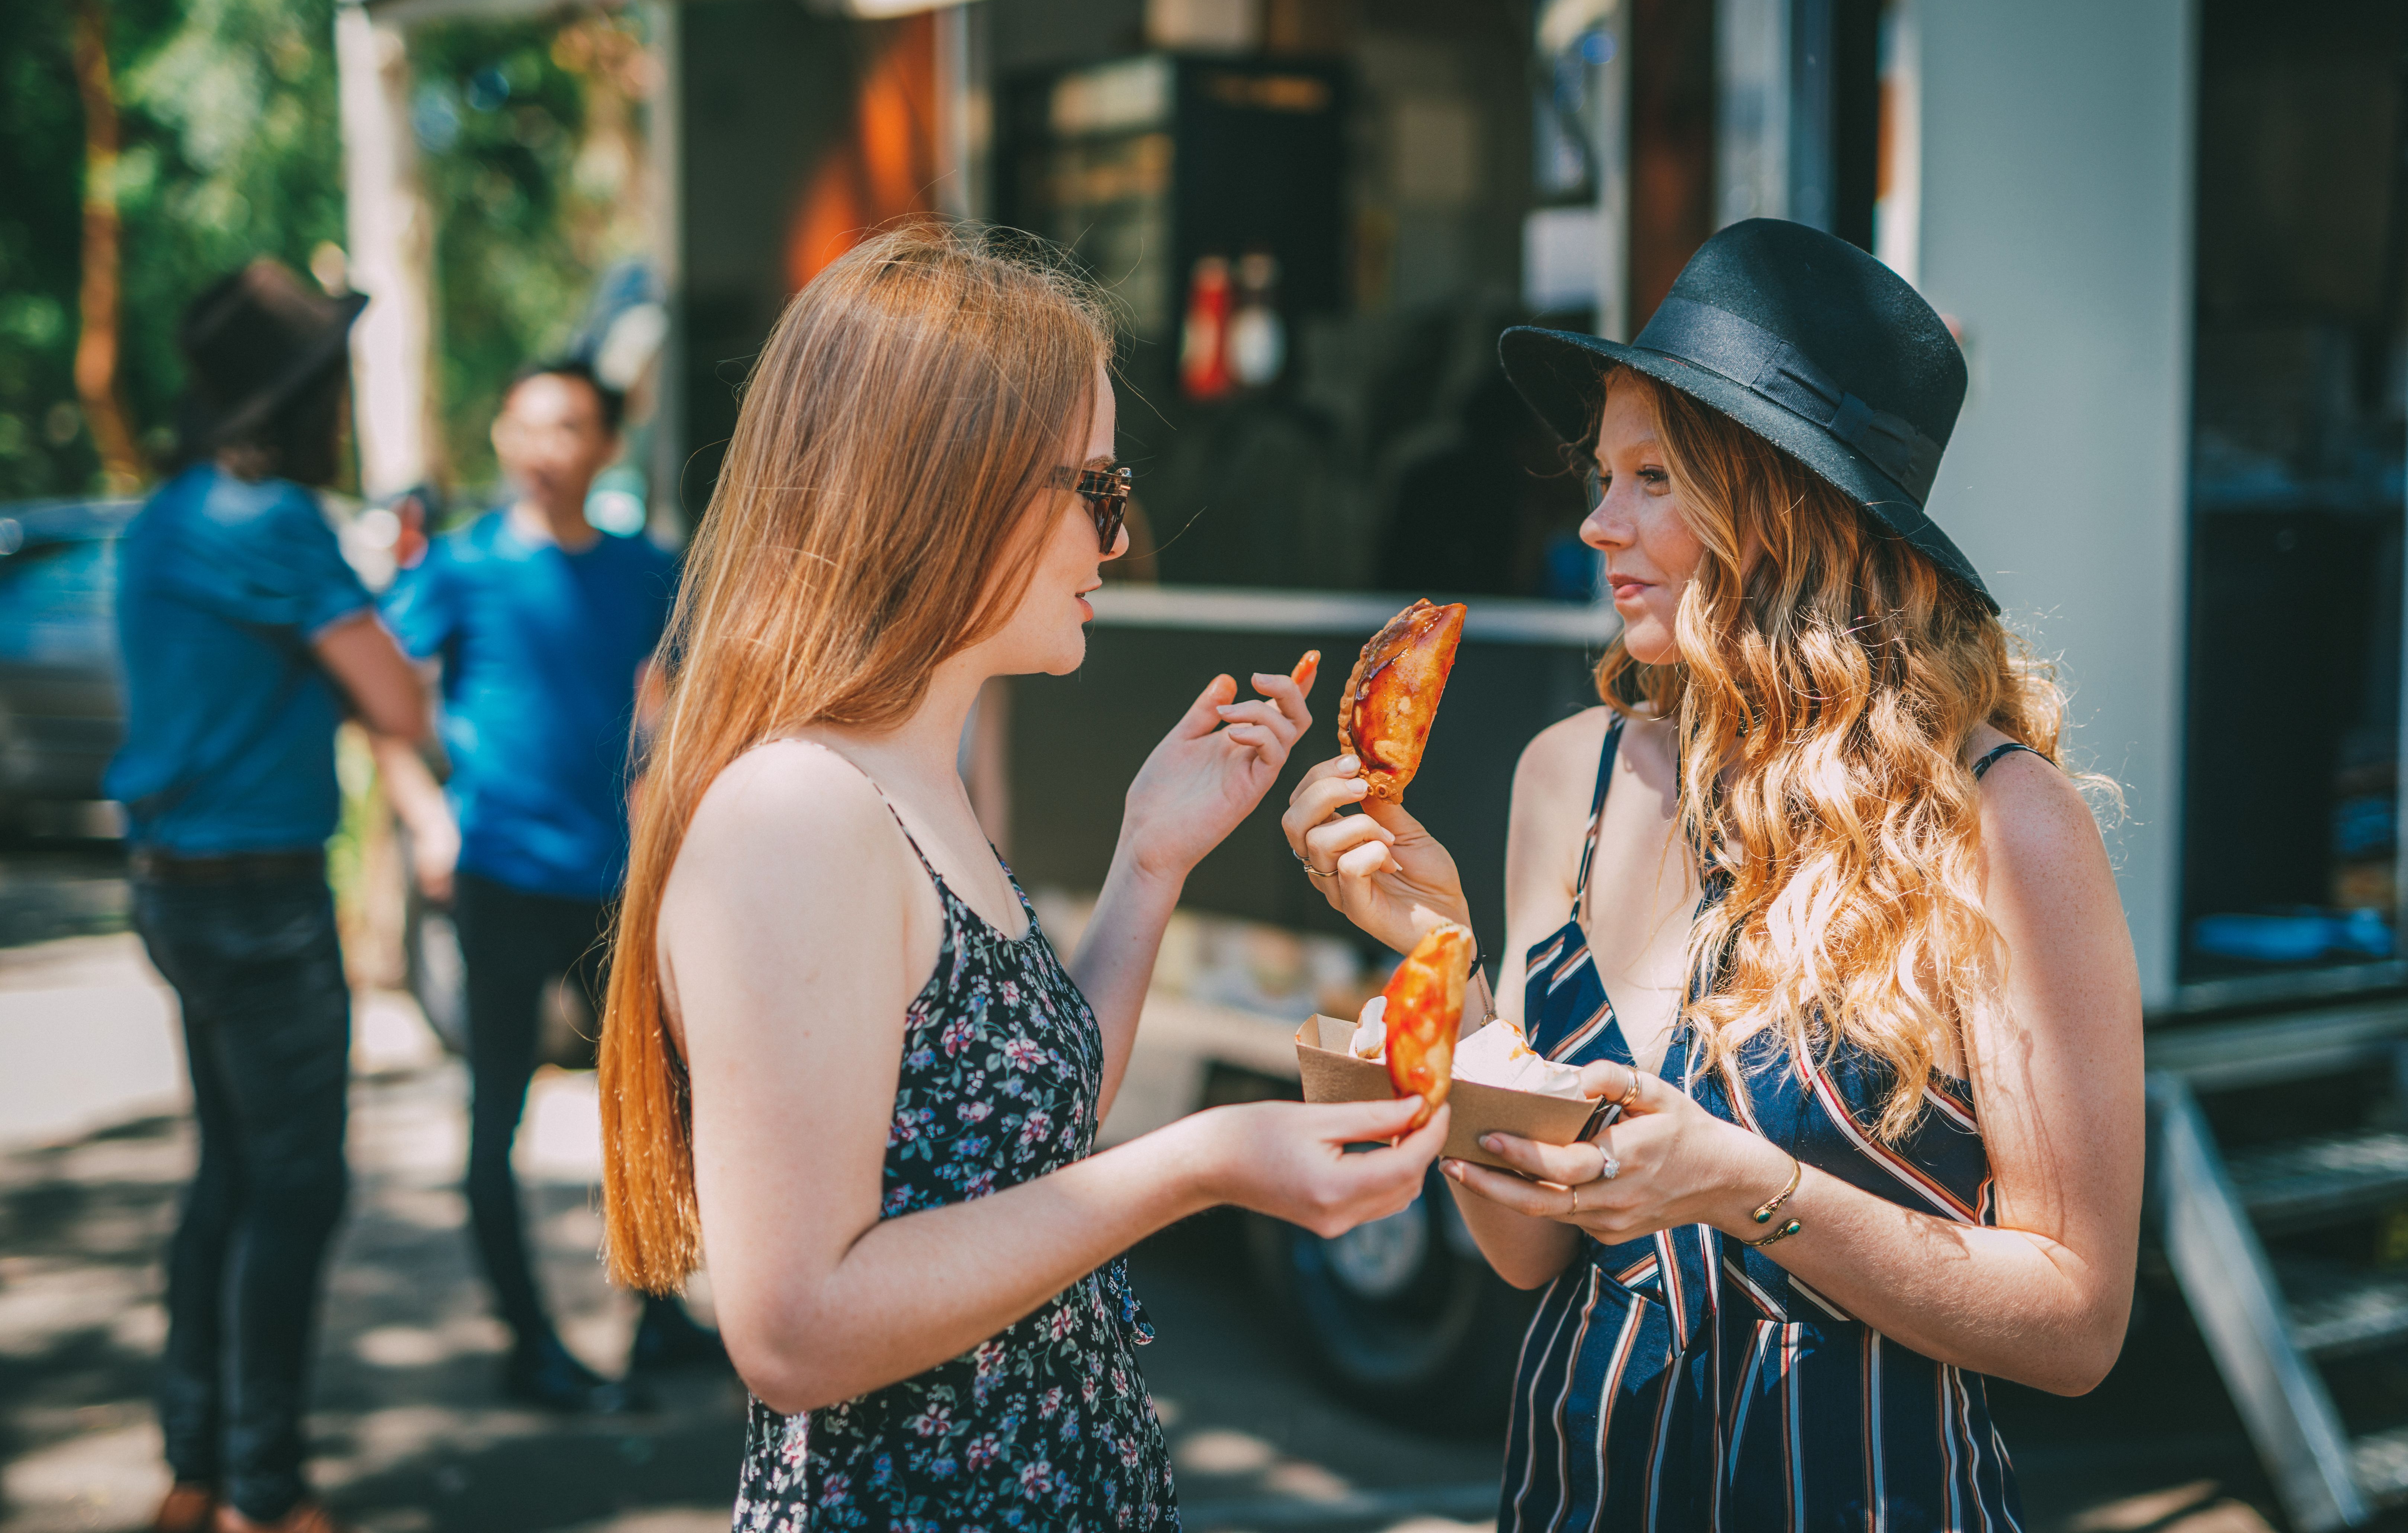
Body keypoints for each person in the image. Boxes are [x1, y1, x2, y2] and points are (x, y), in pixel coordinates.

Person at [1285, 219, 2145, 1531]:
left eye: (1650, 481)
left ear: (1784, 512)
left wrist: (1748, 1189)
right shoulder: (1560, 776)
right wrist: (1438, 962)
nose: (1593, 521)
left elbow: (2077, 1326)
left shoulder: (1999, 823)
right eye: (1600, 474)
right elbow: (1527, 1255)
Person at [594, 224, 1447, 1528]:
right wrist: (1202, 1163)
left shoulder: (905, 777)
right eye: (1097, 492)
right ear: (955, 486)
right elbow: (796, 1328)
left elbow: (1021, 1138)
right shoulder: (797, 811)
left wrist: (1148, 860)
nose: (1116, 543)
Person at [108, 260, 431, 1533]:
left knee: (231, 1178)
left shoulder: (169, 515)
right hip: (262, 897)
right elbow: (400, 703)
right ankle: (265, 1488)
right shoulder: (274, 523)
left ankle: (195, 1467)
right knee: (295, 1190)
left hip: (177, 889)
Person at [372, 360, 716, 1411]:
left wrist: (663, 805)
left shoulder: (643, 568)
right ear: (503, 443)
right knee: (497, 1114)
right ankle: (529, 1343)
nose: (542, 447)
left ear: (605, 445)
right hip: (501, 875)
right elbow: (382, 699)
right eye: (523, 426)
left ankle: (657, 1318)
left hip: (615, 879)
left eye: (567, 426)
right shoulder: (461, 567)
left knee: (652, 1101)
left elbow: (671, 701)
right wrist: (428, 818)